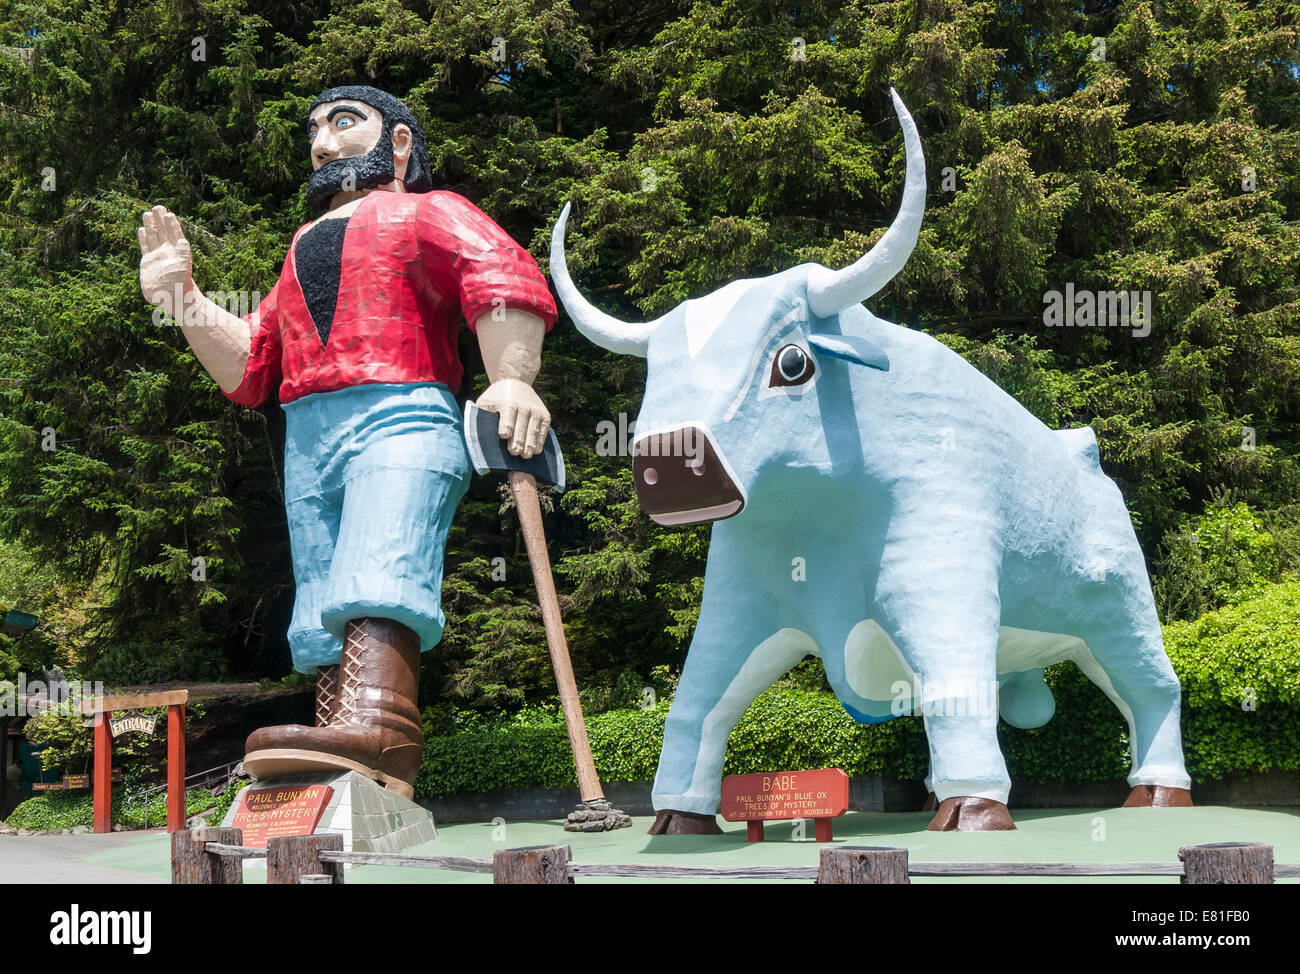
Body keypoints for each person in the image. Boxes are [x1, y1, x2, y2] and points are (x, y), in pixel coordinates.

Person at [136, 85, 557, 798]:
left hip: (403, 408)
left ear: (398, 143)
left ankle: (383, 730)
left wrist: (510, 378)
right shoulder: (302, 246)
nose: (323, 144)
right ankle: (338, 737)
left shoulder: (430, 209)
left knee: (381, 558)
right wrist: (183, 300)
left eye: (342, 123)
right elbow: (249, 364)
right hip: (309, 431)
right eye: (314, 131)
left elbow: (498, 271)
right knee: (324, 591)